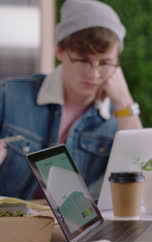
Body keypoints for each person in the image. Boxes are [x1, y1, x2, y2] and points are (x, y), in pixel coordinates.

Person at [0, 0, 142, 200]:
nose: (94, 75)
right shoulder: (8, 95)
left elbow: (139, 183)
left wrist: (124, 103)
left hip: (69, 229)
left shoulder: (117, 119)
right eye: (83, 60)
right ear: (60, 52)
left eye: (105, 63)